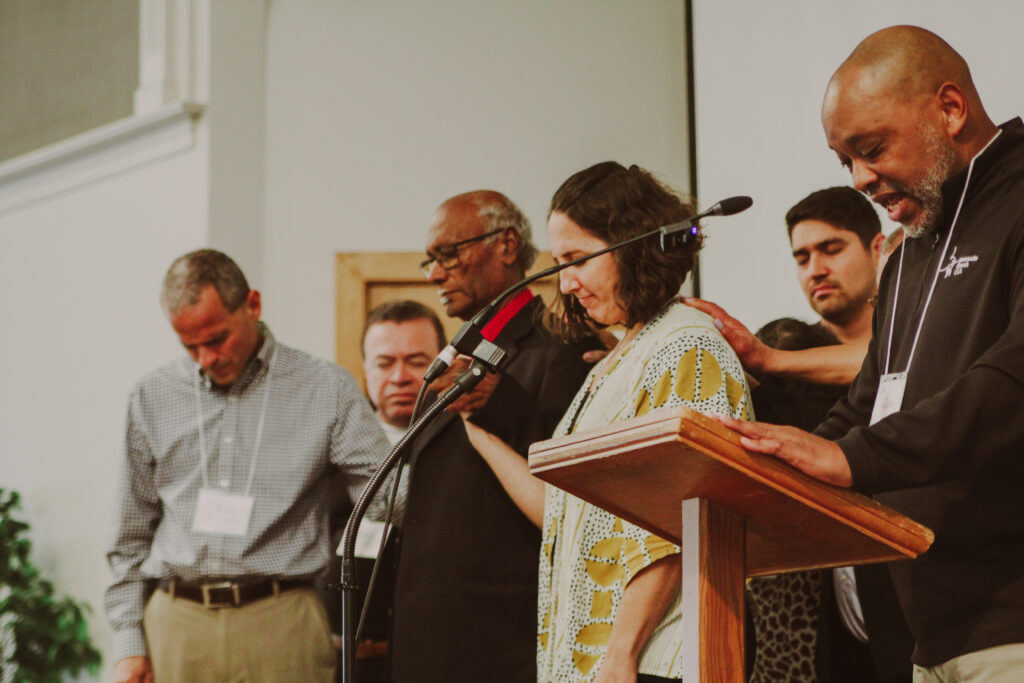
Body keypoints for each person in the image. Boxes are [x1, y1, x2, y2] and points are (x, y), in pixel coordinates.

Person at [716, 25, 1024, 681]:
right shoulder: (912, 245)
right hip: (927, 636)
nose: (859, 178)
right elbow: (869, 398)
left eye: (871, 148)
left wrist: (852, 456)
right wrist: (756, 473)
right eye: (843, 161)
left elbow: (1010, 381)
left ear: (950, 108)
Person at [463, 162, 753, 682]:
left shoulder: (685, 345)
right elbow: (563, 512)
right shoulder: (626, 353)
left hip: (653, 661)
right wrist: (477, 431)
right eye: (559, 262)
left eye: (577, 258)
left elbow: (681, 518)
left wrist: (620, 654)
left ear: (634, 244)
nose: (566, 282)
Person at [105, 249, 390, 683]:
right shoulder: (151, 395)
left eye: (217, 339)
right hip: (177, 624)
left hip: (281, 620)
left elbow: (388, 497)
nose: (206, 358)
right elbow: (129, 535)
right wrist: (128, 643)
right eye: (189, 345)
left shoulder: (326, 388)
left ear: (252, 306)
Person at [388, 191, 593, 683]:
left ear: (505, 245)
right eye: (430, 260)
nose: (435, 274)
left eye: (448, 254)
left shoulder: (559, 349)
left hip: (495, 643)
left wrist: (497, 404)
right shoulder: (458, 350)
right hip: (429, 635)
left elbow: (570, 494)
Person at [319, 300, 447, 681]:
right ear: (364, 369)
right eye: (385, 363)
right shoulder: (329, 453)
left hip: (430, 661)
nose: (400, 377)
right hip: (332, 662)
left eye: (416, 361)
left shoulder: (470, 449)